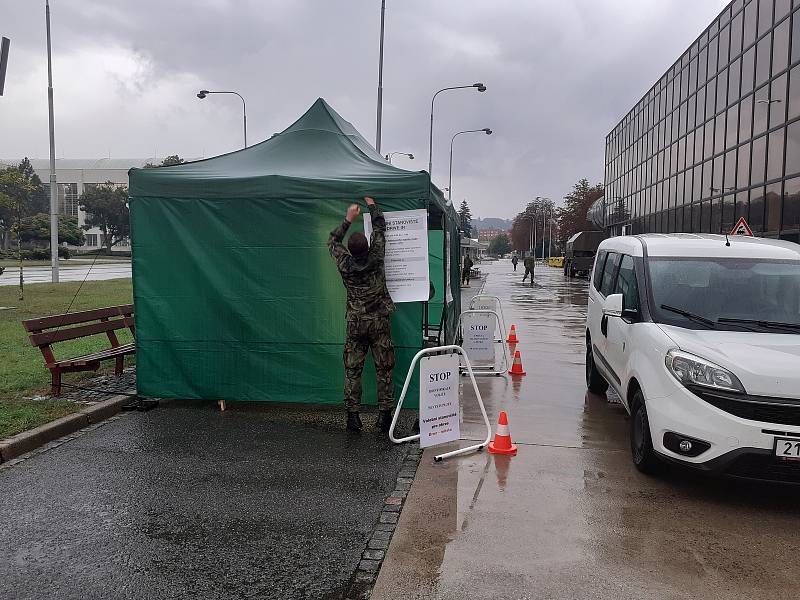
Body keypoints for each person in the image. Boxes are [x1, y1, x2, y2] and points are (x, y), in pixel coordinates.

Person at [328, 196, 396, 433]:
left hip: (356, 324)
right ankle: (384, 416)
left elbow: (332, 240)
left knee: (353, 370)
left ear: (351, 250)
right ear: (367, 246)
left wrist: (348, 219)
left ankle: (353, 417)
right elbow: (380, 227)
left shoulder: (345, 263)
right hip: (378, 322)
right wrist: (373, 205)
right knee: (383, 368)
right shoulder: (376, 257)